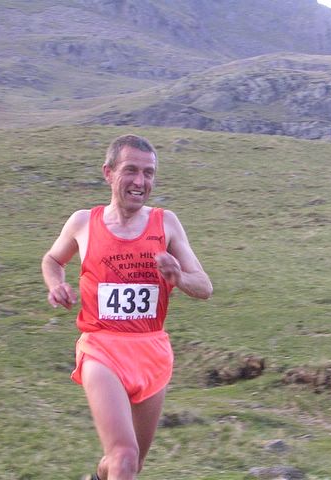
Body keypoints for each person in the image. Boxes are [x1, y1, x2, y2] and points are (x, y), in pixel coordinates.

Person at [41, 134, 213, 480]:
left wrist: (178, 277)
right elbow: (52, 259)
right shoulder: (83, 222)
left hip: (150, 350)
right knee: (123, 456)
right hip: (101, 346)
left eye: (148, 173)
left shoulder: (166, 223)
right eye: (131, 170)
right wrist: (56, 284)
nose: (140, 181)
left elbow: (204, 287)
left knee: (129, 465)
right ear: (108, 173)